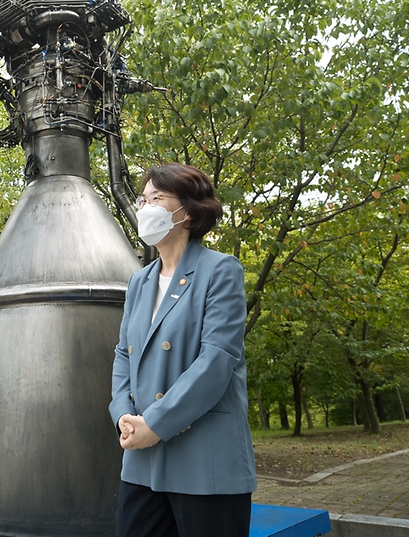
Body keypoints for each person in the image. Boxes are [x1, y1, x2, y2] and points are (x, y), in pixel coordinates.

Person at [109, 163, 256, 537]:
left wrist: (156, 424)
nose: (145, 207)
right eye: (142, 199)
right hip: (142, 456)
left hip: (204, 459)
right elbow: (123, 355)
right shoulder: (138, 282)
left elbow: (217, 361)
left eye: (157, 198)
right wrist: (123, 414)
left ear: (188, 212)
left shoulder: (221, 270)